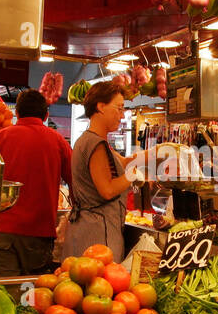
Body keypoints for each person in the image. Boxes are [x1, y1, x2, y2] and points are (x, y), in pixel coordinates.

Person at [0, 90, 73, 277]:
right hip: (38, 237)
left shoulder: (1, 137)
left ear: (17, 113)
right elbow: (76, 181)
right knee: (30, 296)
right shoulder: (57, 140)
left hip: (0, 232)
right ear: (46, 115)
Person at [64, 82, 152, 263]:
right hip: (98, 234)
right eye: (119, 108)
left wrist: (161, 152)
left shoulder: (89, 139)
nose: (122, 115)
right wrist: (132, 175)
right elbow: (108, 190)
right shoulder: (95, 144)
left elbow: (125, 161)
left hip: (87, 229)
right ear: (100, 106)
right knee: (99, 287)